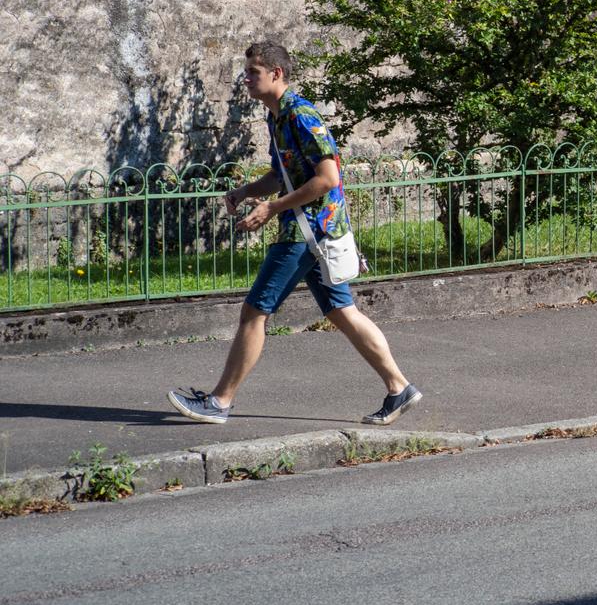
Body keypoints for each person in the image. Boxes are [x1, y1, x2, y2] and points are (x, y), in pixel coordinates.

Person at [168, 40, 423, 426]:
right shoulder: (277, 117)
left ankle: (220, 402)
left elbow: (328, 178)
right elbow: (280, 175)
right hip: (312, 229)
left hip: (309, 232)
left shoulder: (301, 116)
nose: (246, 79)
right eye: (247, 71)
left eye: (253, 72)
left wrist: (271, 208)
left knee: (254, 312)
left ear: (276, 74)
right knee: (341, 311)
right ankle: (398, 387)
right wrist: (246, 192)